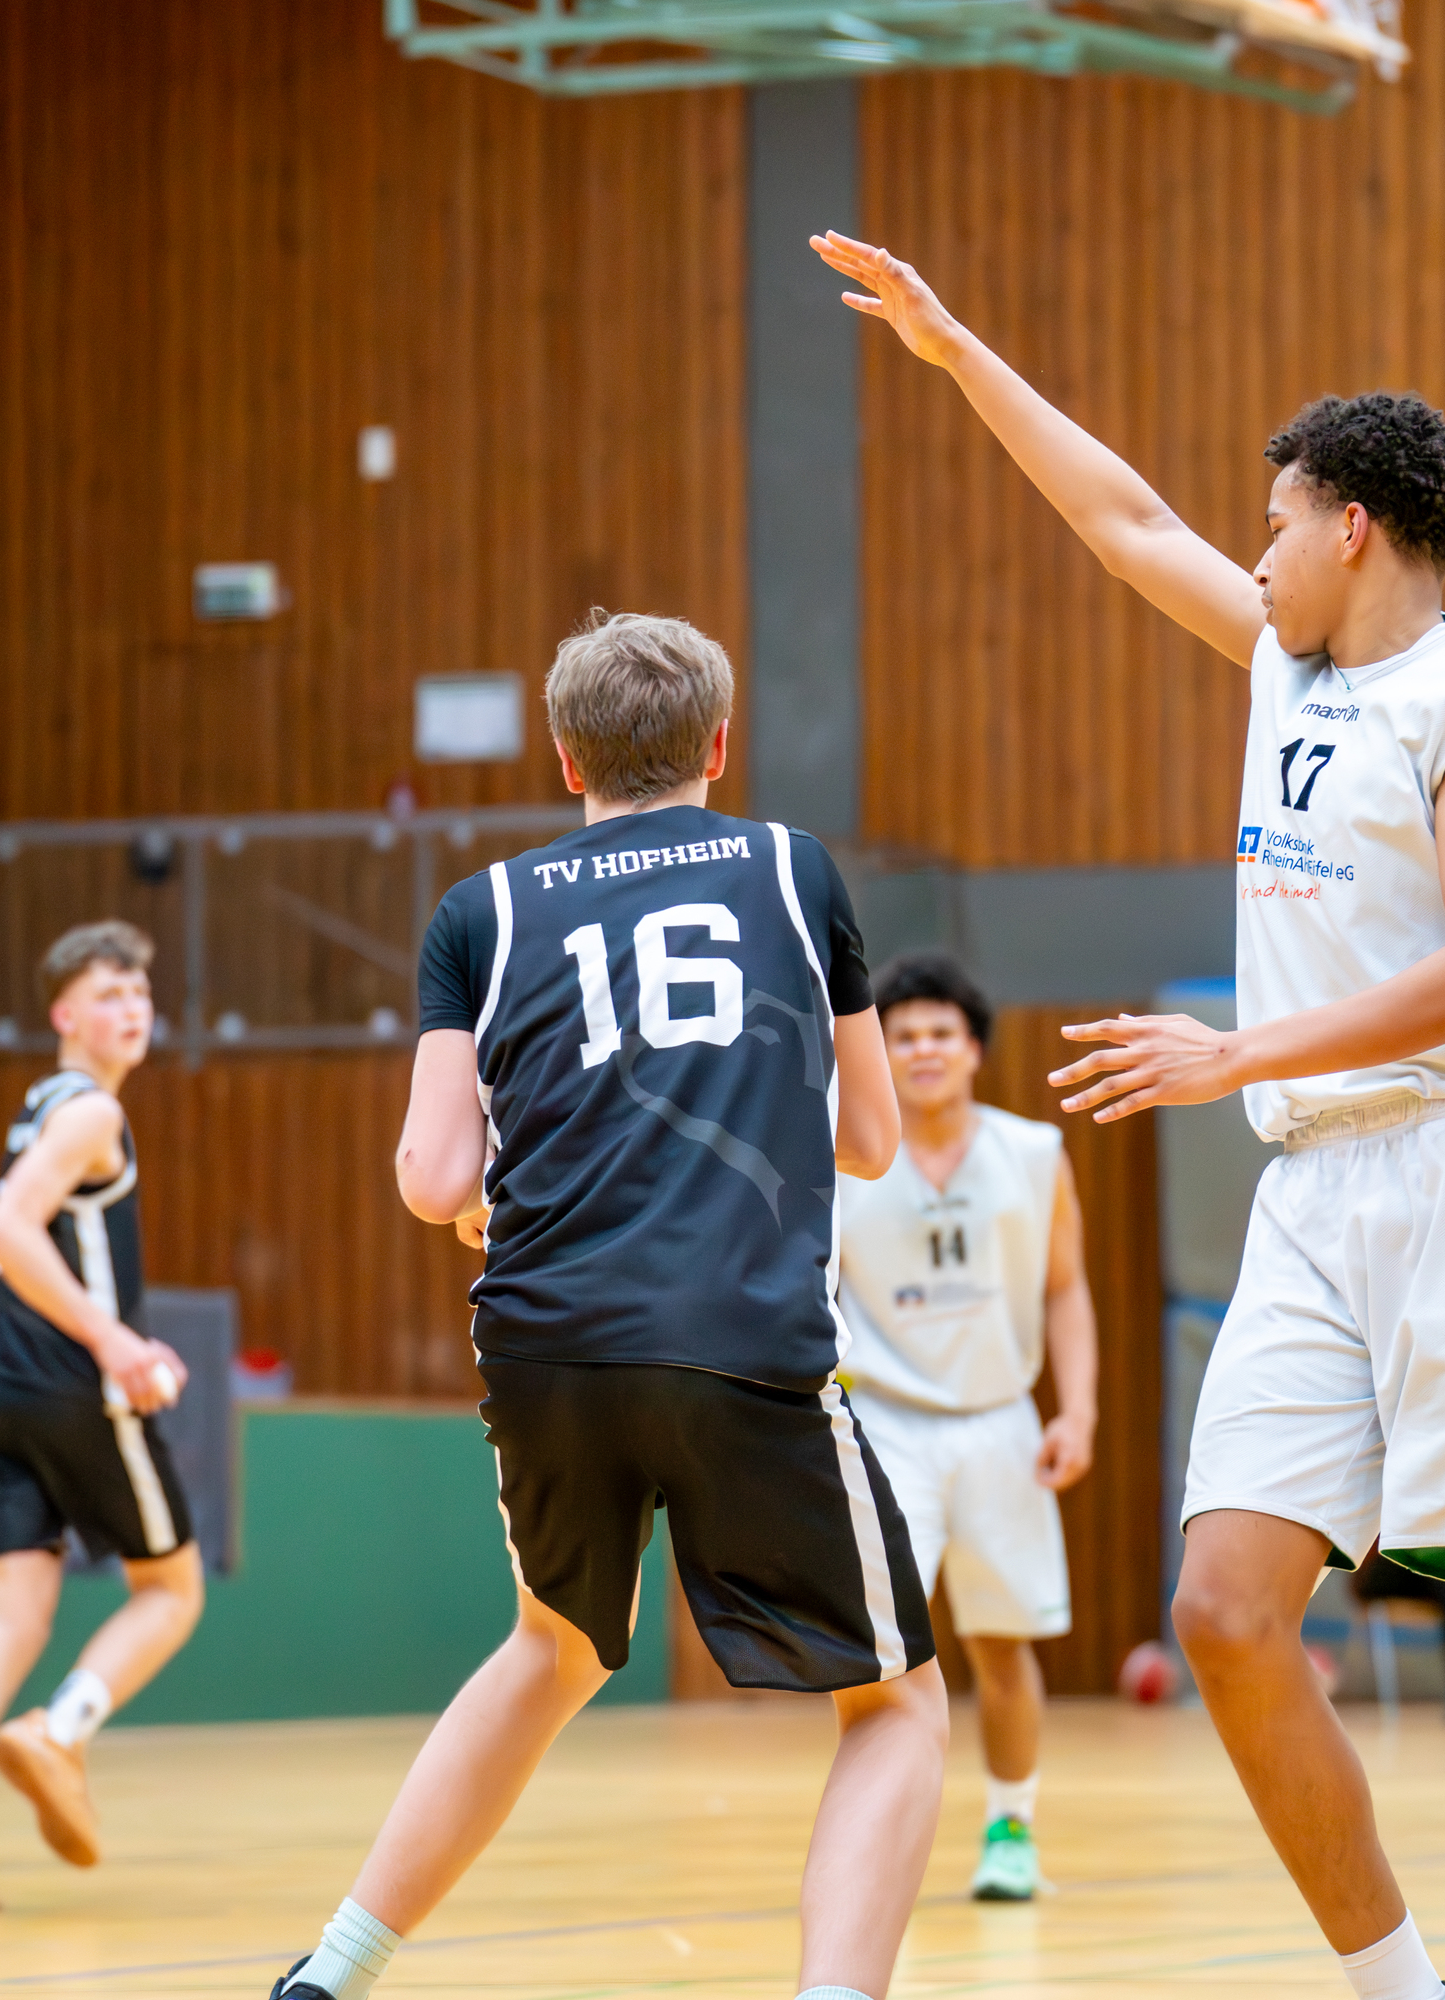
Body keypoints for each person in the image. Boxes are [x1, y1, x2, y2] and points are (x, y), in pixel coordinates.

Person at [811, 227, 1445, 2000]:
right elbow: (1124, 519)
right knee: (1228, 1617)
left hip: (1429, 1160)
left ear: (1352, 528)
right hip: (1311, 1192)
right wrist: (958, 353)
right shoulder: (1284, 664)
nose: (1251, 550)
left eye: (1274, 523)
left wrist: (1241, 1051)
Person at [268, 611, 948, 2000]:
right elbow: (874, 1140)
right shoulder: (793, 869)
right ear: (718, 744)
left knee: (553, 1646)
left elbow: (434, 1177)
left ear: (565, 757)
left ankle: (332, 1969)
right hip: (741, 1336)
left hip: (549, 1344)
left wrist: (498, 1188)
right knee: (894, 1701)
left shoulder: (480, 910)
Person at [0, 920, 203, 1913]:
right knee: (171, 1588)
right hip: (76, 1390)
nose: (133, 1007)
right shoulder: (91, 1111)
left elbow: (13, 1236)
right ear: (64, 1013)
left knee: (14, 1615)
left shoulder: (38, 1107)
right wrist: (116, 1343)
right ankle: (60, 1732)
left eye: (140, 991)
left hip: (6, 1394)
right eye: (109, 993)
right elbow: (7, 1229)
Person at [837, 951, 1096, 1902]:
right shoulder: (845, 1159)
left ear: (975, 1048)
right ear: (881, 1055)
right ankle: (874, 1845)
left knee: (1002, 1642)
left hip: (999, 1423)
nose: (923, 1049)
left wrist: (1079, 1411)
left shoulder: (1033, 1153)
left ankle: (1011, 1830)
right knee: (878, 1655)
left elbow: (1066, 1289)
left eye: (941, 1032)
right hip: (886, 1425)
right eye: (902, 1036)